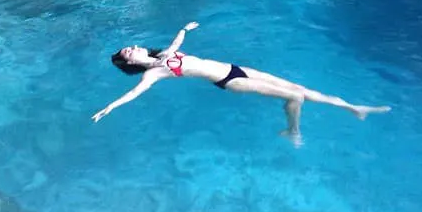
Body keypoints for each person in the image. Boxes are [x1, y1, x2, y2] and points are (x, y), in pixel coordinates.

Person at [92, 22, 391, 144]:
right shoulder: (152, 73)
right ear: (128, 62)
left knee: (303, 91)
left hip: (235, 67)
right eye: (127, 51)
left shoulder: (164, 53)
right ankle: (292, 130)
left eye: (130, 45)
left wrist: (185, 28)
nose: (131, 46)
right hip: (227, 81)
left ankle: (353, 107)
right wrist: (109, 107)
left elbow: (177, 40)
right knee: (294, 98)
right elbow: (134, 93)